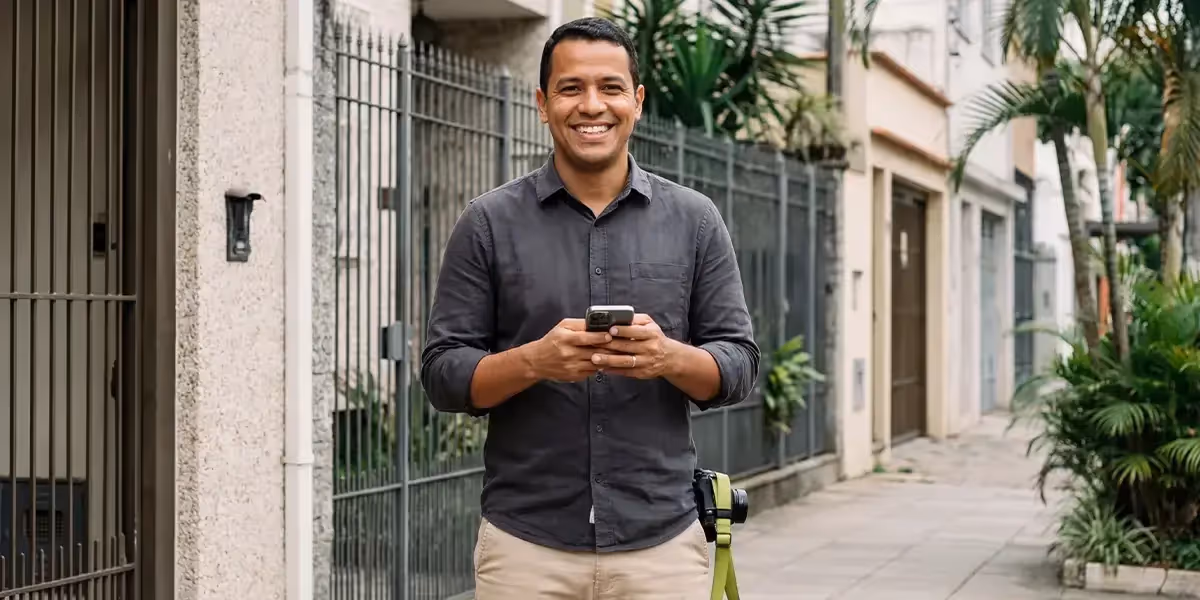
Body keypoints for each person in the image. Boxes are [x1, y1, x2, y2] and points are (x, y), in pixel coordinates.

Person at [420, 16, 760, 599]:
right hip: (526, 547)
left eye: (610, 87)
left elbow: (738, 365)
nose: (591, 105)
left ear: (637, 101)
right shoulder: (488, 223)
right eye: (571, 88)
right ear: (542, 103)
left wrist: (666, 357)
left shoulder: (695, 220)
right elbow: (443, 376)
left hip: (660, 545)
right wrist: (536, 361)